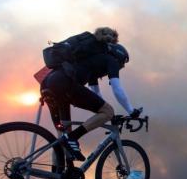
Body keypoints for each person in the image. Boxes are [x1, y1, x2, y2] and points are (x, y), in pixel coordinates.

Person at [40, 27, 141, 161]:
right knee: (107, 111)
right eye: (121, 65)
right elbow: (117, 88)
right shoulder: (110, 60)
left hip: (47, 84)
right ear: (119, 58)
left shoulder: (91, 62)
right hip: (64, 84)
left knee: (62, 136)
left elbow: (96, 94)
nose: (119, 68)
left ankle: (58, 178)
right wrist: (131, 111)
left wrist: (102, 111)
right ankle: (73, 137)